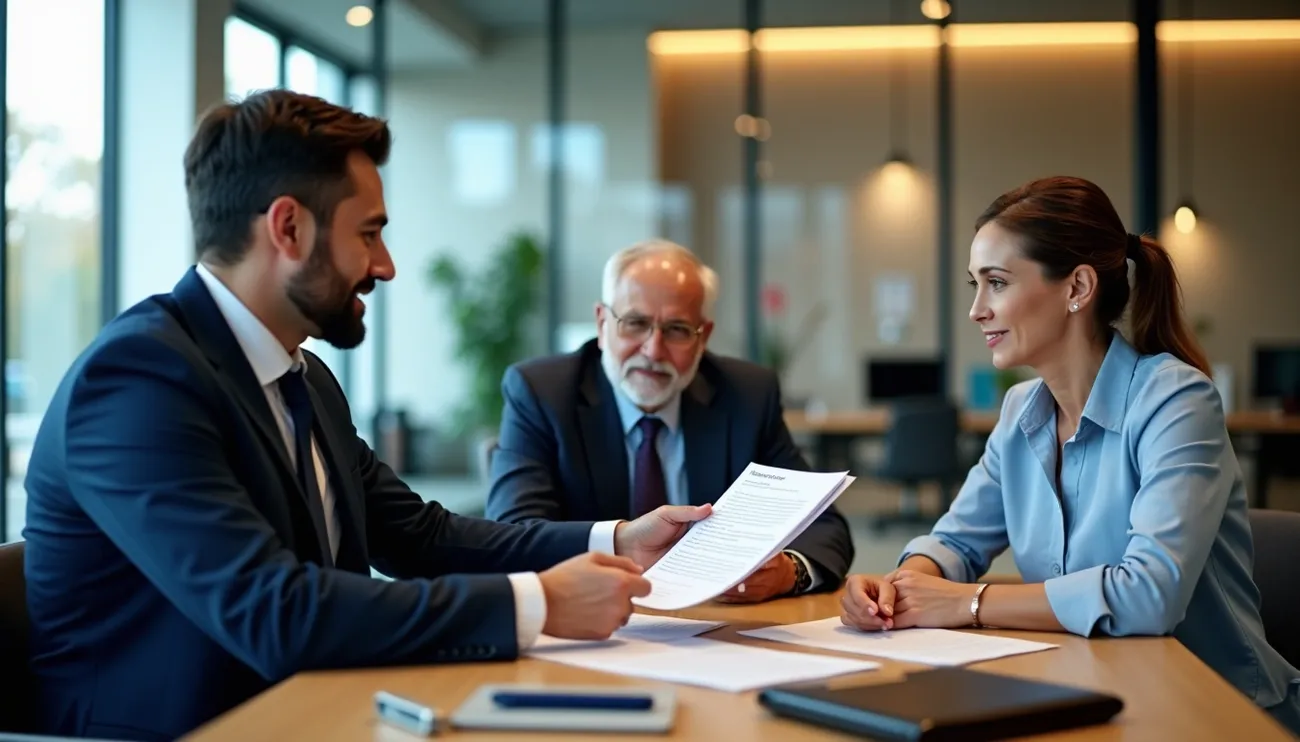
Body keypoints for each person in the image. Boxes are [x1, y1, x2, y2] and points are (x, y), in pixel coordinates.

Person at [21, 90, 711, 741]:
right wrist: (536, 603)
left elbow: (418, 536)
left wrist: (617, 541)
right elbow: (273, 611)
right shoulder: (137, 383)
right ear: (288, 228)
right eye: (369, 234)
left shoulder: (303, 376)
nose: (384, 267)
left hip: (312, 710)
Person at [838, 175, 1300, 734]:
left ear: (1077, 287)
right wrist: (903, 587)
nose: (977, 310)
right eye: (974, 285)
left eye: (998, 283)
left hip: (1215, 713)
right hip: (1088, 693)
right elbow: (955, 542)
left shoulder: (1176, 401)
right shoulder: (1019, 413)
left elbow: (1148, 594)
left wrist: (967, 603)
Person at [485, 240, 853, 602]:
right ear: (602, 324)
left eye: (676, 329)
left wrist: (789, 572)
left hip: (716, 630)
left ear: (702, 337)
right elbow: (514, 535)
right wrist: (619, 544)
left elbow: (824, 526)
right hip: (587, 620)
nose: (652, 350)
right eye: (635, 323)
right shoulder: (542, 393)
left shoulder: (746, 396)